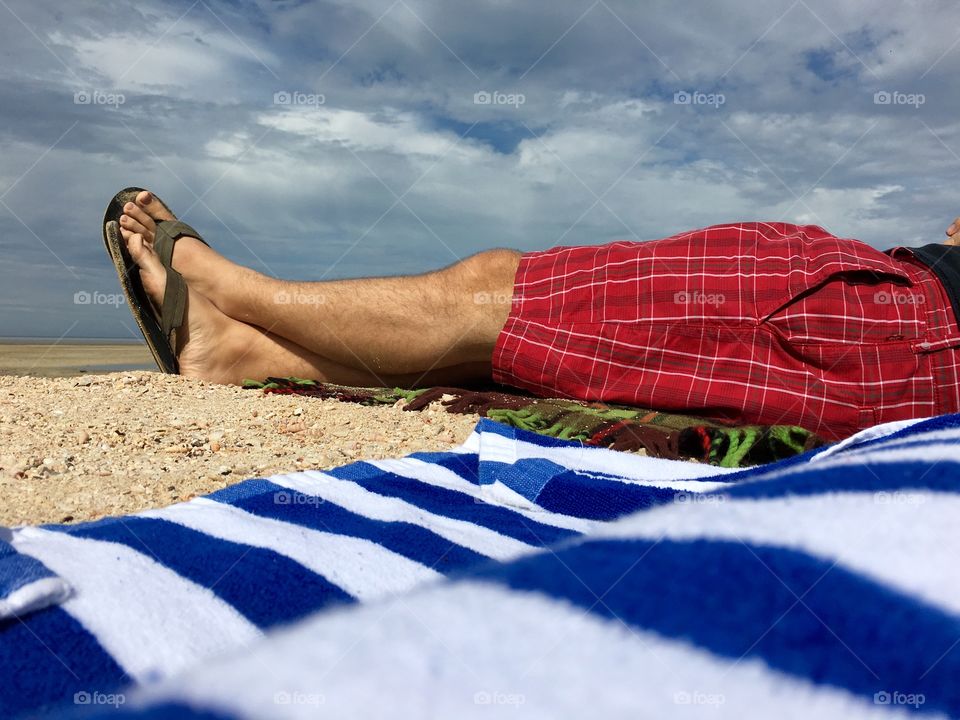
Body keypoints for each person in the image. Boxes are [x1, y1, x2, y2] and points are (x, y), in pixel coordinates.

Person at [113, 190, 960, 440]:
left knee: (503, 301)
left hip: (902, 319)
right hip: (907, 357)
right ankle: (247, 356)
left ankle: (237, 292)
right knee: (524, 354)